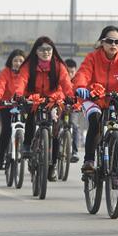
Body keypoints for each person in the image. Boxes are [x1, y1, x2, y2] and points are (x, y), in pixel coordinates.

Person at [72, 26, 118, 174]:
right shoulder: (92, 57)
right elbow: (83, 74)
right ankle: (89, 160)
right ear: (102, 42)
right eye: (109, 41)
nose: (113, 45)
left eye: (117, 42)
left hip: (115, 99)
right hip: (93, 98)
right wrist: (81, 87)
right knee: (95, 119)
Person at [14, 37, 74, 181]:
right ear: (36, 51)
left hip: (53, 99)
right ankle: (27, 145)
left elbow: (66, 83)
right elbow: (21, 81)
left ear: (53, 51)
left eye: (48, 49)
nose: (46, 52)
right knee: (31, 117)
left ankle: (52, 166)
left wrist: (71, 96)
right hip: (33, 98)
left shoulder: (59, 66)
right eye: (42, 49)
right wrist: (19, 95)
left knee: (55, 131)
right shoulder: (28, 65)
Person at [0, 49, 25, 170]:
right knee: (6, 130)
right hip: (6, 105)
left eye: (21, 60)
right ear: (11, 61)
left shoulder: (27, 73)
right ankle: (0, 158)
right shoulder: (5, 73)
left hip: (23, 105)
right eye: (15, 60)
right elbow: (0, 86)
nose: (18, 63)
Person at [64, 58, 81, 163]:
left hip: (73, 108)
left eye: (72, 72)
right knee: (55, 124)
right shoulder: (60, 79)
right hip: (60, 107)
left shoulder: (78, 81)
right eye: (68, 72)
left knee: (74, 126)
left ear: (75, 71)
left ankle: (74, 151)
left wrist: (78, 105)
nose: (70, 74)